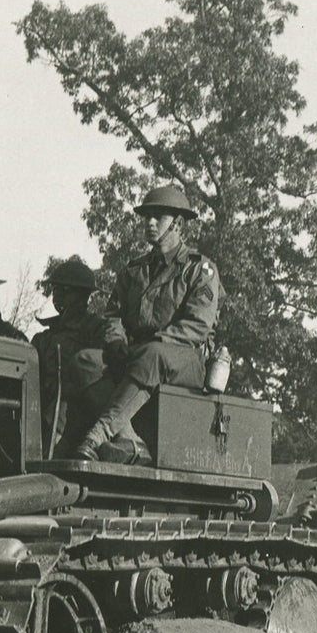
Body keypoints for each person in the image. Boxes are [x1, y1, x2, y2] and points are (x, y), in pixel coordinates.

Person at [73, 185, 222, 464]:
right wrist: (116, 343)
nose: (149, 223)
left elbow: (197, 325)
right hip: (141, 356)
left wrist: (153, 344)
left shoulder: (199, 270)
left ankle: (98, 434)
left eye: (158, 217)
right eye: (147, 217)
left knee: (152, 354)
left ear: (177, 223)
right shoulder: (134, 270)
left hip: (186, 360)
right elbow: (113, 315)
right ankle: (130, 441)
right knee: (86, 361)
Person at [31, 257, 111, 456]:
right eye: (56, 290)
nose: (57, 296)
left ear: (83, 296)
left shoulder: (97, 330)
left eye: (64, 291)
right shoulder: (45, 336)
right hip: (41, 413)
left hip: (75, 421)